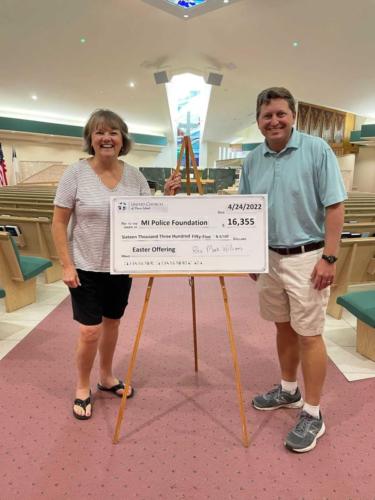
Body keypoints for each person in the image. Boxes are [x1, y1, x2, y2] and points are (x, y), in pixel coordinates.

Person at [52, 109, 181, 420]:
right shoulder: (75, 174)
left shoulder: (135, 176)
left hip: (120, 266)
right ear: (91, 139)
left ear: (122, 139)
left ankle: (106, 377)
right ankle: (82, 386)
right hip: (85, 266)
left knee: (112, 324)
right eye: (99, 132)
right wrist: (66, 265)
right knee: (89, 331)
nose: (106, 138)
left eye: (113, 132)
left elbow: (146, 217)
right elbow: (58, 223)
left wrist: (165, 197)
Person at [239, 87, 346, 452]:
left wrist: (329, 257)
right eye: (267, 116)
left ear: (293, 115)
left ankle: (313, 414)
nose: (274, 121)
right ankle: (288, 390)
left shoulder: (317, 150)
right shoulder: (252, 160)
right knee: (283, 326)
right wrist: (252, 254)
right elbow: (247, 212)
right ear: (258, 121)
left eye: (280, 114)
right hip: (269, 258)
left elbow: (334, 207)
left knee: (310, 334)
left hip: (307, 257)